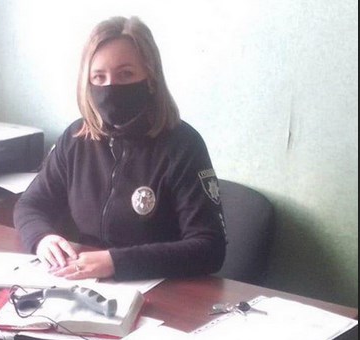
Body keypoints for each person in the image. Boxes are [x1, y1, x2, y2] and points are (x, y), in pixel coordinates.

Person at [14, 16, 227, 281]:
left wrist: (116, 262)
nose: (110, 86)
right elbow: (30, 205)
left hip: (163, 287)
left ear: (150, 77)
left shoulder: (183, 144)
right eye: (98, 77)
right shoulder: (76, 139)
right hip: (86, 282)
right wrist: (42, 238)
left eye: (125, 74)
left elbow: (210, 248)